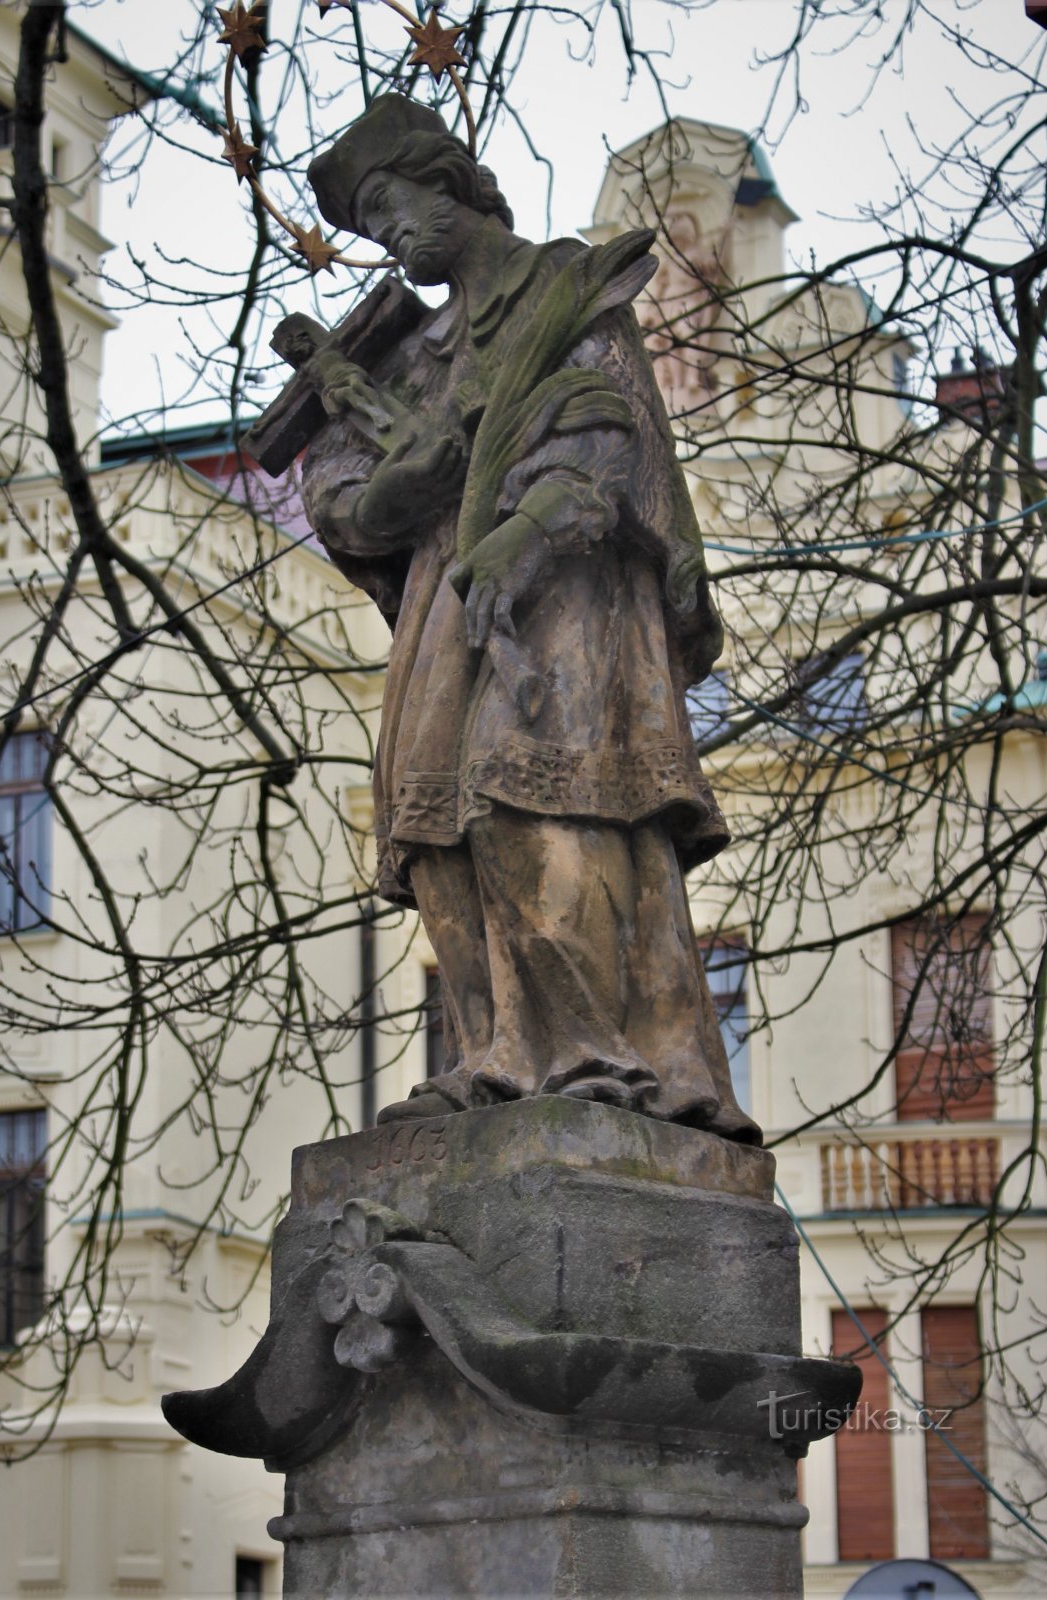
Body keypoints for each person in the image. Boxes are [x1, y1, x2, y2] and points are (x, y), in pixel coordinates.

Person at [299, 96, 759, 1143]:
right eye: (369, 228)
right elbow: (342, 488)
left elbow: (612, 429)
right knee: (430, 825)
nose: (390, 238)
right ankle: (493, 1053)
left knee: (531, 800)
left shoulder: (561, 288)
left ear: (445, 178)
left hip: (564, 597)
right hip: (440, 601)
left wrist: (529, 526)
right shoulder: (411, 354)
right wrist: (385, 495)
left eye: (392, 206)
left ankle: (598, 1056)